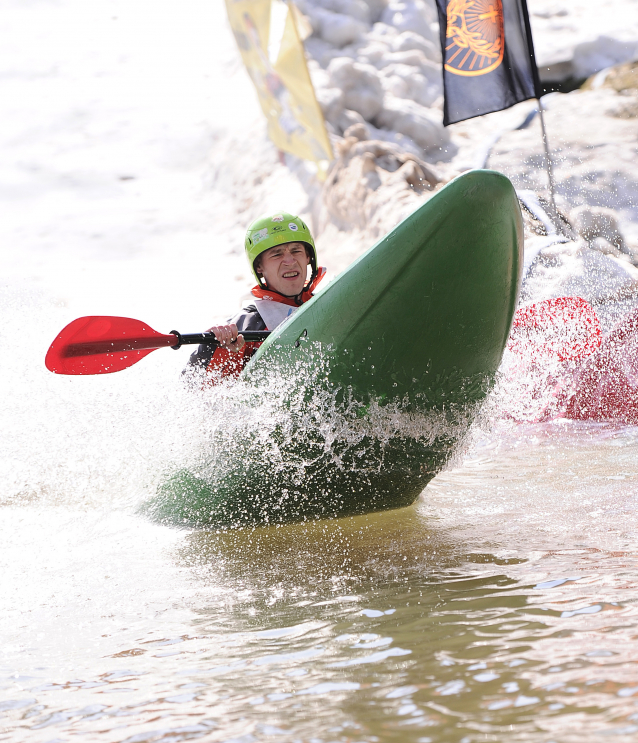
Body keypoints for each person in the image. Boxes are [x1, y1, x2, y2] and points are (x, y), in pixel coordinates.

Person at [186, 211, 326, 381]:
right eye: (277, 254)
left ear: (308, 258)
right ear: (259, 267)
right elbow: (193, 385)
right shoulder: (246, 323)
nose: (290, 261)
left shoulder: (328, 303)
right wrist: (213, 348)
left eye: (296, 251)